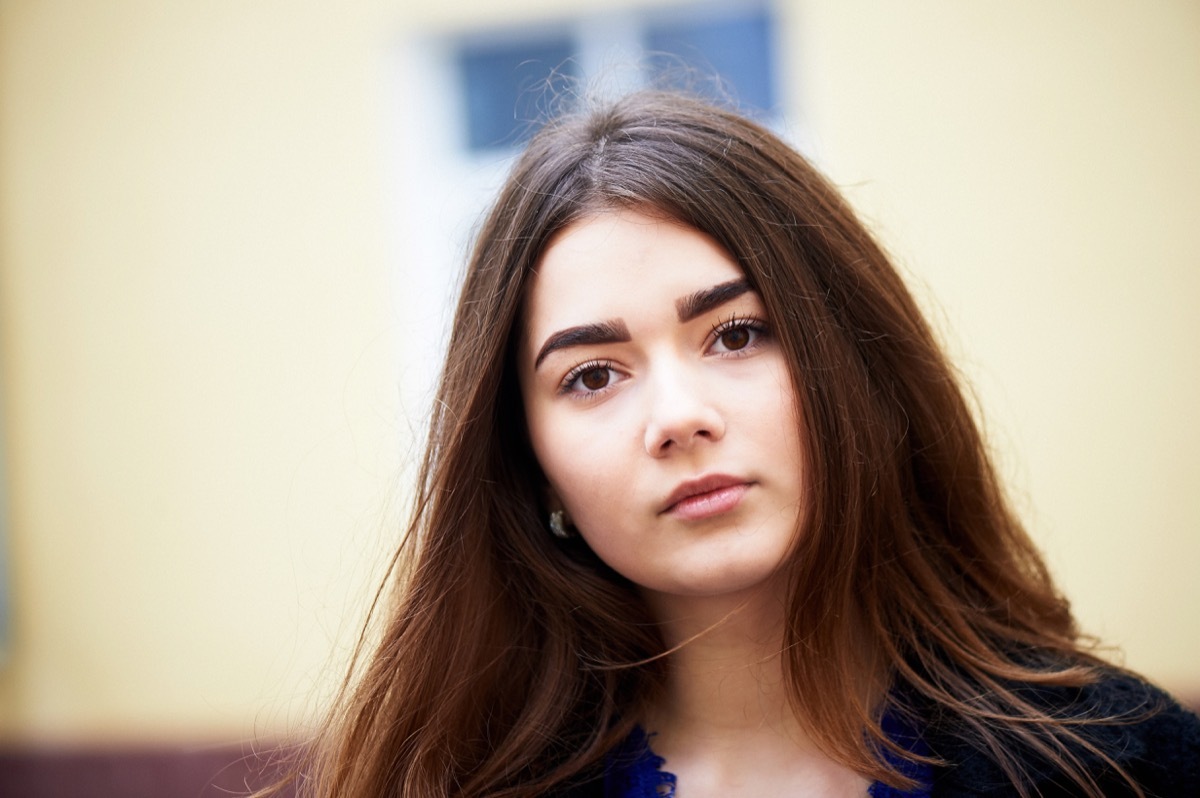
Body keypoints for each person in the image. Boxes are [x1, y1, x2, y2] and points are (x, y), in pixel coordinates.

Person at [270, 91, 1200, 797]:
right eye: (592, 375)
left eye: (738, 334)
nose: (678, 416)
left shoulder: (1122, 765)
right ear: (527, 460)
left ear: (855, 366)